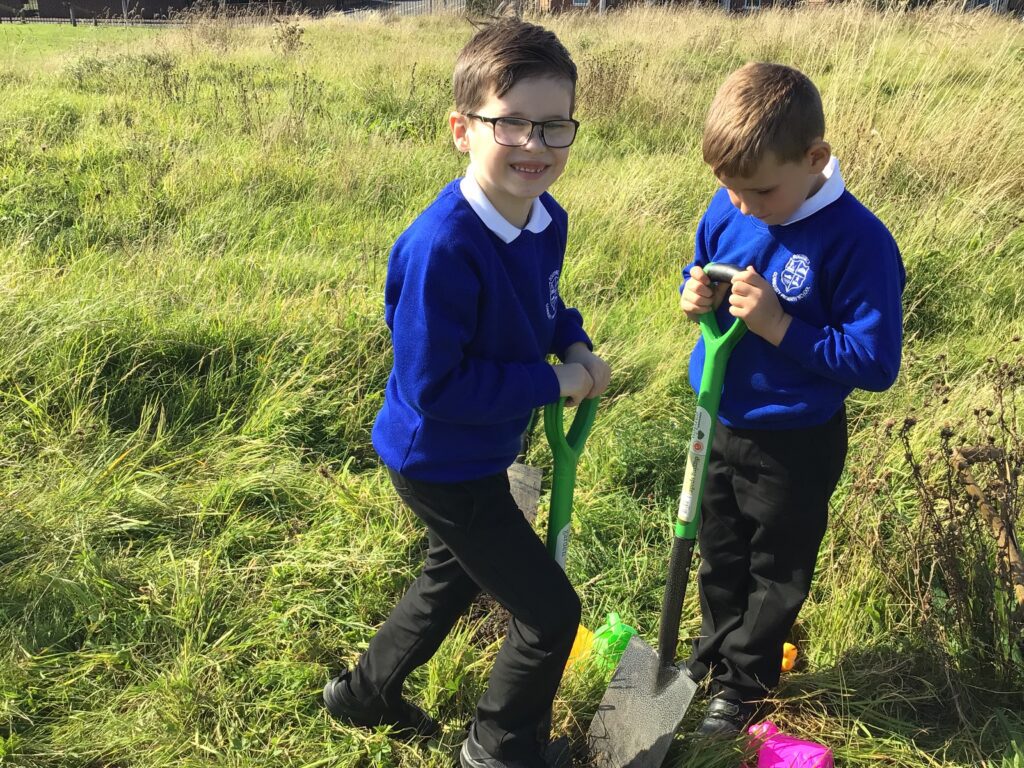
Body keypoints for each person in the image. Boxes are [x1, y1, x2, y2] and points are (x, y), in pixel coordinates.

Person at [322, 19, 611, 768]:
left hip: (482, 447)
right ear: (462, 129)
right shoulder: (443, 247)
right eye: (510, 123)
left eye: (554, 125)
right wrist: (553, 380)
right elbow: (437, 387)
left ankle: (361, 695)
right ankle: (499, 748)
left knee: (450, 578)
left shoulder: (544, 218)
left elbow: (545, 304)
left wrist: (574, 344)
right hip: (441, 459)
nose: (534, 145)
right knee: (550, 613)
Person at [679, 62, 905, 736]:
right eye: (729, 187)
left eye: (759, 190)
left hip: (794, 440)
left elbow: (874, 362)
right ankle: (715, 653)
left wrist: (780, 326)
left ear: (814, 159)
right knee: (719, 552)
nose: (742, 205)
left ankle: (744, 686)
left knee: (774, 567)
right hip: (719, 417)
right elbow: (705, 262)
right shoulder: (732, 203)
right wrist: (696, 292)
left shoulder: (858, 241)